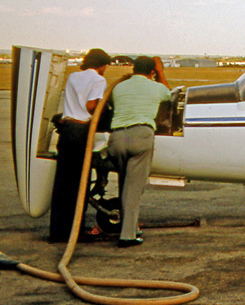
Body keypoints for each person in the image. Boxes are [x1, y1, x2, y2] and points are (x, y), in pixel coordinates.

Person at [107, 55, 171, 248]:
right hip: (140, 135)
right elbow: (169, 95)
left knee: (125, 183)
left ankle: (130, 227)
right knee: (133, 188)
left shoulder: (119, 87)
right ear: (151, 71)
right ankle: (127, 236)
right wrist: (160, 73)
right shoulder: (156, 87)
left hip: (118, 137)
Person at [50, 48, 112, 243]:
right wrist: (104, 103)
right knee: (79, 183)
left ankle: (58, 231)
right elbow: (90, 106)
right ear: (101, 65)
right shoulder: (99, 80)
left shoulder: (73, 76)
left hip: (66, 129)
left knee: (62, 184)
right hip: (81, 131)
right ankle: (75, 231)